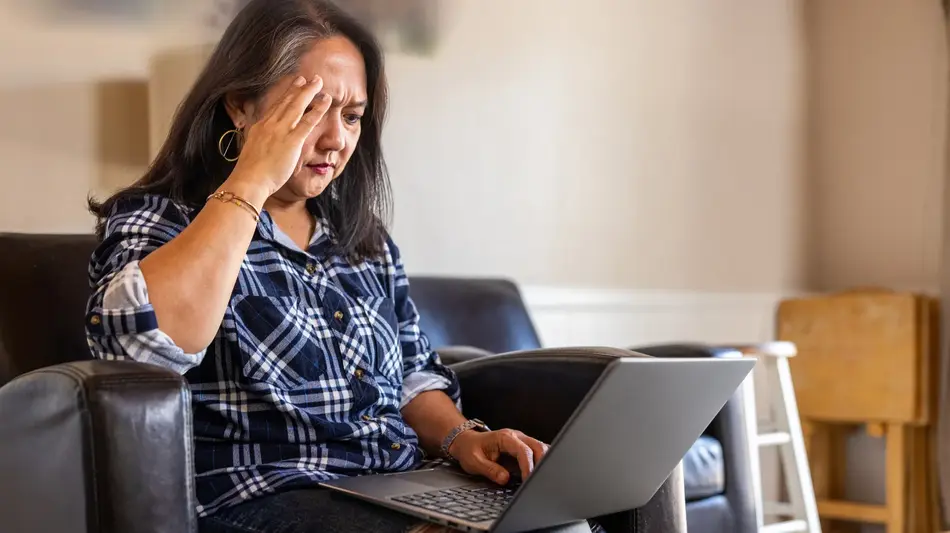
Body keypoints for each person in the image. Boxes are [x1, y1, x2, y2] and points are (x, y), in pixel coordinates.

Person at [84, 1, 605, 531]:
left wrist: (463, 439)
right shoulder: (160, 218)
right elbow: (141, 353)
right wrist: (250, 182)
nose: (336, 140)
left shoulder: (363, 240)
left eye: (352, 116)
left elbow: (410, 373)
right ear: (241, 107)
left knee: (564, 521)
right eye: (310, 110)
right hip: (264, 492)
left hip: (396, 481)